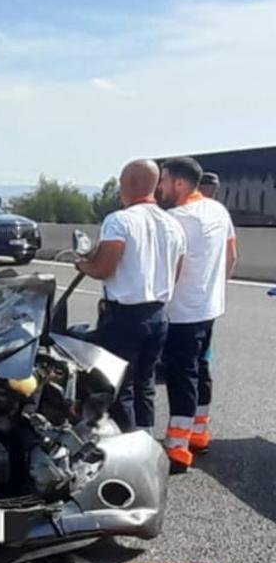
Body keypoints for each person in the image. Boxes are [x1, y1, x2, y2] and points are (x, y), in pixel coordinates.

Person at [77, 159, 186, 433]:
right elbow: (176, 272)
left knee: (119, 384)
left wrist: (82, 265)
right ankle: (146, 438)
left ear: (129, 184)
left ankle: (127, 445)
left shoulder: (119, 220)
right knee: (145, 383)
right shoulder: (174, 225)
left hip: (124, 318)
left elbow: (104, 268)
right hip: (159, 315)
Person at [159, 157, 238, 471]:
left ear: (178, 183)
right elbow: (232, 254)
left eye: (163, 180)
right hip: (209, 307)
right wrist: (214, 289)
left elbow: (171, 269)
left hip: (181, 312)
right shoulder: (217, 210)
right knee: (202, 369)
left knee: (182, 376)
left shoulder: (177, 219)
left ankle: (177, 448)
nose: (160, 187)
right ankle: (199, 434)